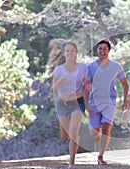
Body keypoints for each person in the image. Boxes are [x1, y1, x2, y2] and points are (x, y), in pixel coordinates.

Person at [84, 39, 129, 165]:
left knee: (106, 127)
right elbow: (87, 87)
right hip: (94, 102)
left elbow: (125, 84)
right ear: (97, 50)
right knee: (94, 132)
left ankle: (101, 156)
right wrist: (87, 103)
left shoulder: (116, 66)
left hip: (110, 101)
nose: (102, 51)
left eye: (105, 49)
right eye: (100, 49)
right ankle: (97, 137)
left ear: (109, 51)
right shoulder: (91, 67)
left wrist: (125, 100)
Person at [49, 39, 87, 169]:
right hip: (62, 103)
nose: (70, 53)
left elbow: (87, 85)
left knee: (73, 132)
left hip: (78, 102)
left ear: (76, 53)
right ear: (64, 53)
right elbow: (53, 90)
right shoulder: (59, 70)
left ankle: (72, 163)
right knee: (65, 136)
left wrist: (88, 86)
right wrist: (60, 80)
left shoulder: (83, 67)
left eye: (72, 51)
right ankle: (68, 138)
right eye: (67, 51)